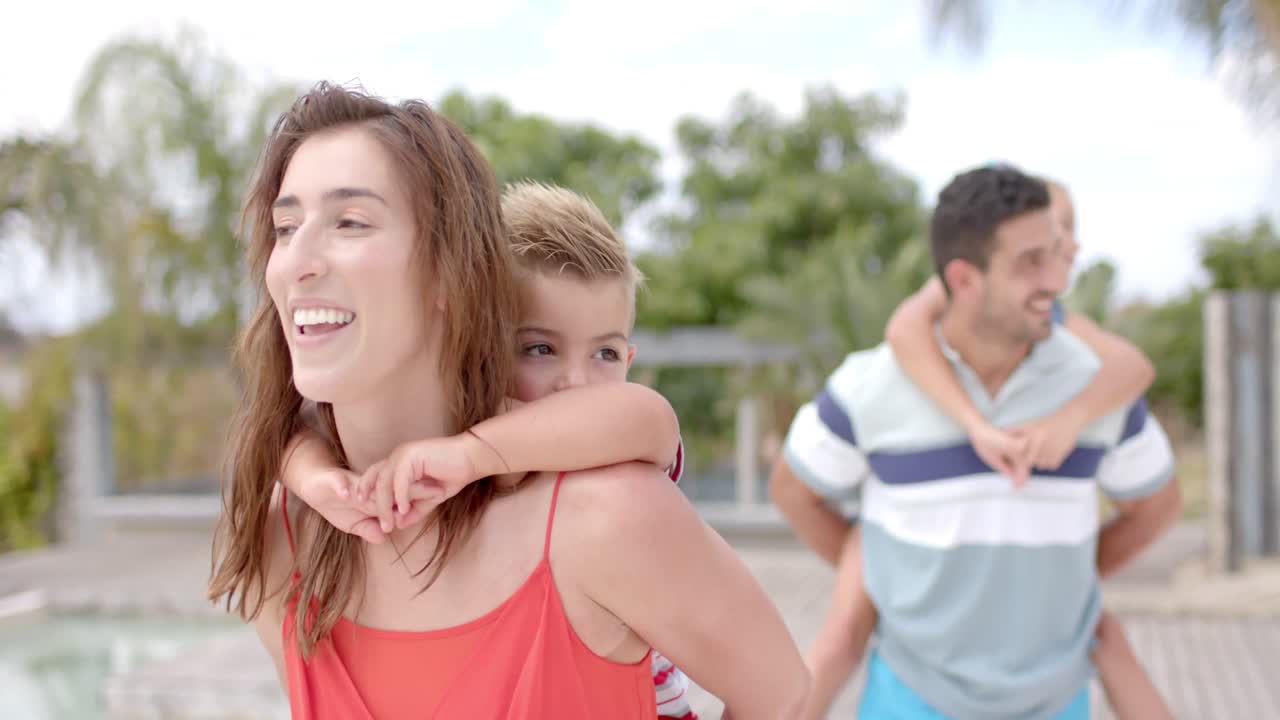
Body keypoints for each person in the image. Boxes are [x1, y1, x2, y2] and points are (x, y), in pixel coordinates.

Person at [208, 82, 808, 720]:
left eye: (349, 222)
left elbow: (783, 697)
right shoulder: (282, 541)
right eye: (285, 226)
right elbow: (277, 433)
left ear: (448, 271)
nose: (295, 261)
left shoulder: (606, 516)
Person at [771, 164, 1182, 719]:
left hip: (1055, 698)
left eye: (1056, 256)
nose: (1058, 283)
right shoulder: (870, 385)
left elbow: (1157, 505)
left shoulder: (1099, 386)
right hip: (910, 696)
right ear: (964, 279)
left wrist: (1065, 572)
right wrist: (888, 572)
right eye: (1030, 263)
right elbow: (794, 491)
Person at [278, 181, 702, 719]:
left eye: (606, 353)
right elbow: (294, 431)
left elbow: (653, 418)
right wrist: (318, 482)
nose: (577, 382)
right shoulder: (448, 431)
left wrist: (471, 452)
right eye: (539, 349)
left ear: (631, 356)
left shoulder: (611, 446)